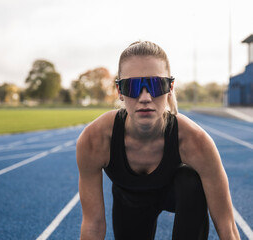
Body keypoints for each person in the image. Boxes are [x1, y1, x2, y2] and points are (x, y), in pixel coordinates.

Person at [76, 40, 240, 240]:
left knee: (190, 180)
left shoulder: (196, 141)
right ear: (119, 91)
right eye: (133, 86)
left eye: (155, 85)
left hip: (178, 194)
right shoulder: (95, 140)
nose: (145, 97)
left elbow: (226, 226)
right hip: (129, 202)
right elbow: (93, 224)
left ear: (170, 87)